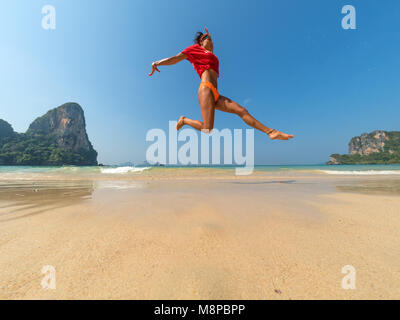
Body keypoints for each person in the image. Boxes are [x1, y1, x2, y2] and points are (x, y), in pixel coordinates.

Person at [149, 28, 294, 140]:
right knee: (207, 129)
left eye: (212, 39)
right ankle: (185, 120)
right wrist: (157, 63)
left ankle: (271, 132)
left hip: (216, 94)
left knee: (241, 110)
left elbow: (210, 55)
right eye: (208, 38)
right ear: (200, 41)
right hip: (205, 89)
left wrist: (207, 36)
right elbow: (175, 58)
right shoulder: (194, 49)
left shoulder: (214, 57)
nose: (211, 41)